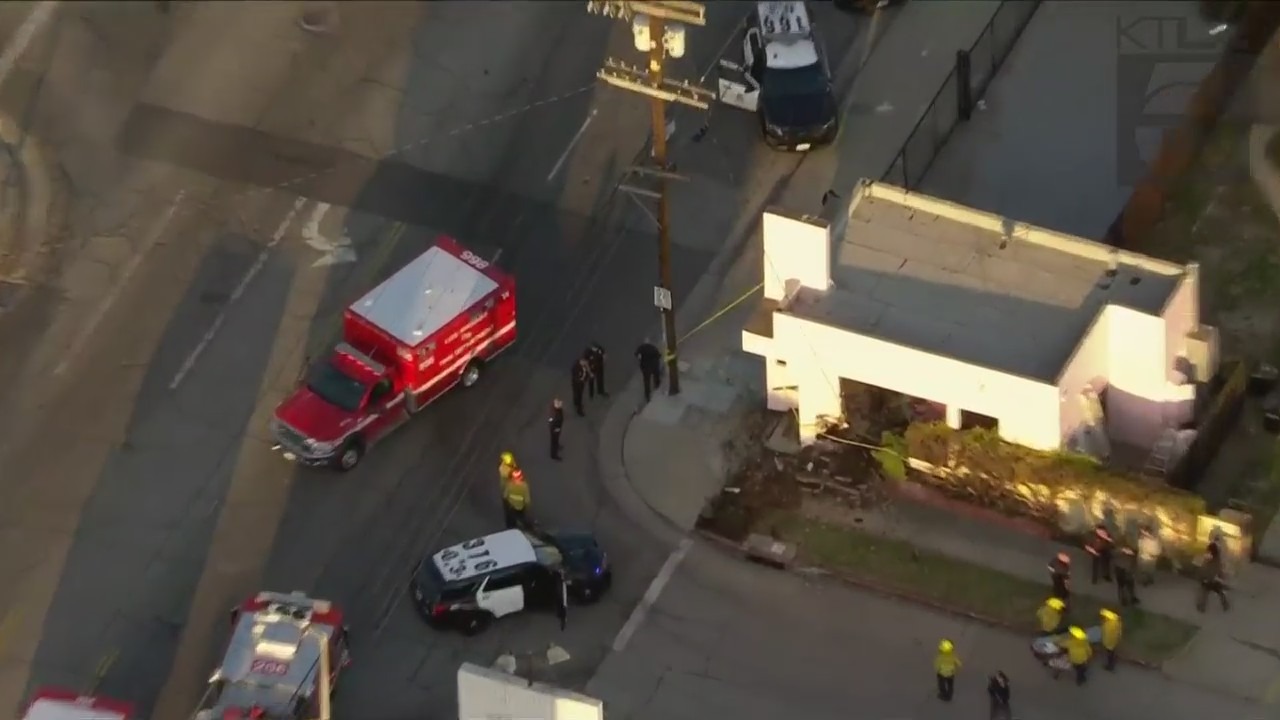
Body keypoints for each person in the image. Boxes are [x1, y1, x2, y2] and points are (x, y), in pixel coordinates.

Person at [1196, 541, 1231, 613]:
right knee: (1219, 592)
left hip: (1210, 579)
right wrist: (1221, 575)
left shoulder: (1210, 558)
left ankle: (1201, 606)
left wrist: (1203, 576)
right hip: (1214, 579)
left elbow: (1207, 568)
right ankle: (1225, 604)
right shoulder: (1216, 559)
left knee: (1205, 592)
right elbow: (1218, 569)